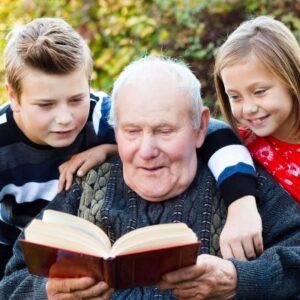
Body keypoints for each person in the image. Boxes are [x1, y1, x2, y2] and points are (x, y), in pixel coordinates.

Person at [1, 56, 299, 299]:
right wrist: (48, 293)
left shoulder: (242, 189)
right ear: (115, 131)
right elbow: (11, 283)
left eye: (164, 131)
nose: (146, 151)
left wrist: (239, 280)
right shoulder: (84, 185)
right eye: (131, 131)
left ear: (200, 127)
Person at [0, 17, 117, 279]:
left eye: (76, 99)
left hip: (88, 256)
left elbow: (195, 128)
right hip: (14, 265)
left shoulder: (101, 114)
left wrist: (108, 150)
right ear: (14, 97)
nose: (65, 118)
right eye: (46, 105)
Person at [214, 15, 300, 203]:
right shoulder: (237, 146)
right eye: (235, 96)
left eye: (259, 91)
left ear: (292, 81)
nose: (249, 108)